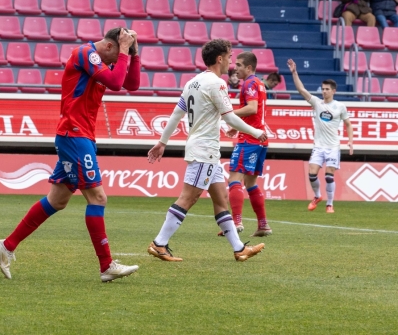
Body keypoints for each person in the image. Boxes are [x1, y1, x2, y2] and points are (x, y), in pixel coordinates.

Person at [0, 28, 142, 283]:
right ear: (107, 47)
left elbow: (131, 83)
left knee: (58, 199)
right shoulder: (85, 53)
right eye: (114, 57)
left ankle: (7, 245)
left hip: (78, 135)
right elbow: (117, 83)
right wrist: (126, 51)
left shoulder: (101, 58)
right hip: (75, 135)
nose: (114, 63)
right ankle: (106, 265)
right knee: (98, 197)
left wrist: (133, 53)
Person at [145, 39, 267, 263]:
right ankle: (159, 243)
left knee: (221, 199)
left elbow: (176, 114)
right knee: (188, 198)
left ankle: (239, 249)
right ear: (220, 58)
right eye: (229, 57)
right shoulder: (216, 83)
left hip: (204, 149)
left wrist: (162, 142)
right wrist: (257, 132)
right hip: (205, 150)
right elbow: (229, 117)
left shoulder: (193, 82)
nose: (231, 61)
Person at [287, 59, 353, 213]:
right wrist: (294, 73)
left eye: (327, 89)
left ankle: (330, 204)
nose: (324, 91)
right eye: (323, 89)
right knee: (312, 173)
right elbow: (301, 90)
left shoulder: (340, 107)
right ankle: (317, 196)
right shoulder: (317, 103)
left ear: (333, 91)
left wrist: (350, 141)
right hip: (318, 146)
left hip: (332, 147)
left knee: (329, 176)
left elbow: (348, 124)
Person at [224, 52, 272, 237]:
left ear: (249, 68)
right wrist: (237, 126)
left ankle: (235, 222)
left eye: (239, 65)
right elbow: (254, 112)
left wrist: (230, 115)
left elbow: (251, 108)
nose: (235, 67)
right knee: (251, 182)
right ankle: (263, 225)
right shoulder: (260, 83)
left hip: (249, 140)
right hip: (259, 138)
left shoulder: (249, 83)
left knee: (234, 179)